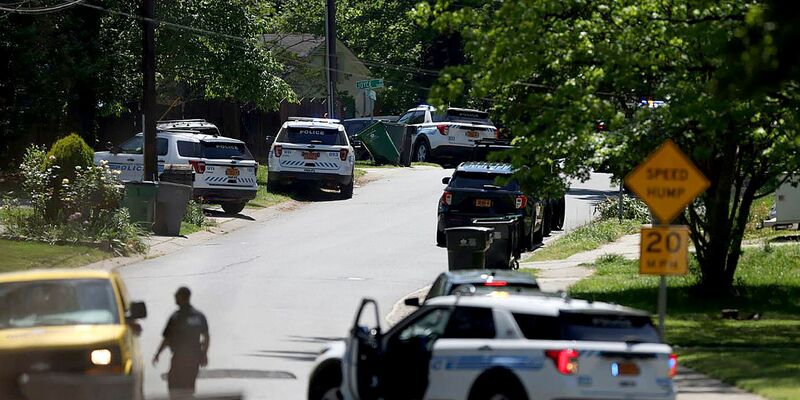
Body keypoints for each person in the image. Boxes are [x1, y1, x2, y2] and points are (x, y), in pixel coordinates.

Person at [153, 286, 210, 399]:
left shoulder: (176, 317)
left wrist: (158, 353)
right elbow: (206, 337)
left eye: (177, 296)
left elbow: (167, 339)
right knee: (189, 387)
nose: (175, 298)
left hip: (179, 358)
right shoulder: (199, 316)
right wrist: (204, 354)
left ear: (182, 297)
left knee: (174, 386)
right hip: (194, 359)